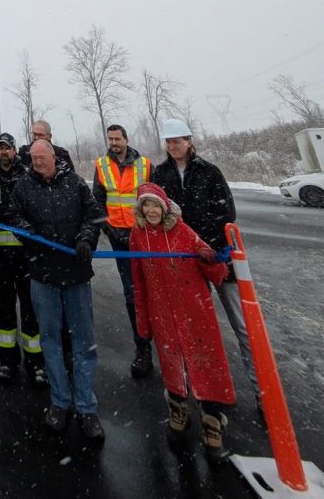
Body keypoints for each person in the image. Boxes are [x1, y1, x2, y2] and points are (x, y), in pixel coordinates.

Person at [152, 118, 261, 412]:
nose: (173, 146)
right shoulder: (160, 174)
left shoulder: (209, 172)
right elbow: (158, 216)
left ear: (189, 141)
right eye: (169, 141)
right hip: (183, 264)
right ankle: (197, 387)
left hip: (217, 257)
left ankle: (263, 393)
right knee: (191, 327)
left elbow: (227, 211)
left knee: (243, 326)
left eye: (178, 140)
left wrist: (207, 246)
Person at [130, 182, 236, 461]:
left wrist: (210, 259)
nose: (151, 211)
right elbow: (138, 282)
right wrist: (143, 323)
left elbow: (219, 274)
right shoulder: (137, 236)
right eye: (146, 206)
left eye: (155, 205)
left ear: (164, 208)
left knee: (205, 365)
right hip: (162, 313)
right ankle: (178, 412)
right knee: (172, 364)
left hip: (195, 313)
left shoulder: (184, 232)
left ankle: (212, 424)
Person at [10, 140, 105, 442]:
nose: (37, 162)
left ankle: (87, 407)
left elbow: (95, 215)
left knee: (83, 341)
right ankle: (60, 402)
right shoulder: (24, 186)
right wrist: (31, 236)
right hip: (43, 273)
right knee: (49, 340)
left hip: (76, 273)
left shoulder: (75, 183)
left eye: (42, 157)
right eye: (33, 158)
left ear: (54, 157)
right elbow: (13, 217)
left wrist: (87, 239)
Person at [92, 124, 153, 379]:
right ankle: (143, 348)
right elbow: (97, 200)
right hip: (118, 237)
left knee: (154, 292)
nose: (114, 142)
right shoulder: (102, 165)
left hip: (144, 236)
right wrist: (107, 226)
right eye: (110, 139)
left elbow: (154, 197)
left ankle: (168, 347)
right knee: (132, 293)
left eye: (118, 138)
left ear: (126, 139)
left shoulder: (145, 165)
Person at [0, 132, 46, 387]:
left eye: (7, 148)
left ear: (14, 151)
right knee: (2, 310)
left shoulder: (28, 175)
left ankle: (36, 364)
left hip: (26, 255)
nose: (4, 152)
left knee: (31, 309)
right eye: (0, 148)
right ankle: (8, 362)